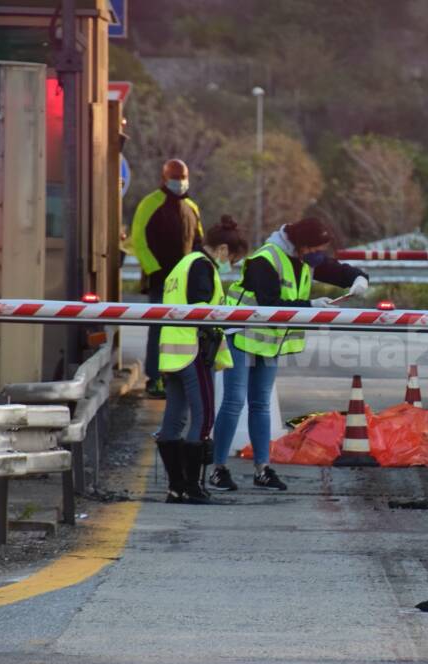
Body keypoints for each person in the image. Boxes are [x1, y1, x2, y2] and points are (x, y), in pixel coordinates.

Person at [208, 218, 369, 492]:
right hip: (242, 334)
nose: (320, 254)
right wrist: (310, 305)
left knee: (260, 404)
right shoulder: (265, 260)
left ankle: (262, 469)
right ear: (302, 245)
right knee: (234, 401)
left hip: (268, 340)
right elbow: (271, 304)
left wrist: (358, 278)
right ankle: (218, 469)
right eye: (316, 248)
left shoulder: (303, 257)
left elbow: (334, 269)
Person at [156, 216, 248, 504]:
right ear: (221, 250)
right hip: (193, 350)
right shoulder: (202, 266)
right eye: (231, 258)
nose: (230, 264)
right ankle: (193, 486)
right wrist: (217, 330)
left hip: (171, 354)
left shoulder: (183, 264)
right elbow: (200, 310)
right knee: (203, 416)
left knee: (173, 420)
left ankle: (176, 486)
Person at [131, 159, 204, 398]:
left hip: (186, 282)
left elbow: (199, 243)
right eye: (175, 177)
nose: (180, 182)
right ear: (164, 178)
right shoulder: (150, 203)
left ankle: (176, 376)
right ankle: (154, 378)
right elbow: (138, 240)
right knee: (158, 329)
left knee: (182, 331)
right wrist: (155, 270)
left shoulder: (192, 207)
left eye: (183, 177)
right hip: (161, 279)